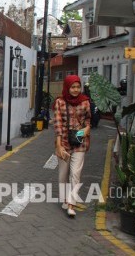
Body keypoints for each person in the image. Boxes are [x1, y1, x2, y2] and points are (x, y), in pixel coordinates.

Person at [53, 75, 91, 217]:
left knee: (75, 174)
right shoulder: (60, 102)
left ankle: (71, 204)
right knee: (63, 175)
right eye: (73, 87)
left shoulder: (85, 101)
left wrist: (87, 129)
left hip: (80, 140)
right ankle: (64, 198)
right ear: (67, 87)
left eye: (78, 87)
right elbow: (57, 124)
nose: (76, 90)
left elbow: (88, 119)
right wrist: (58, 146)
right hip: (63, 141)